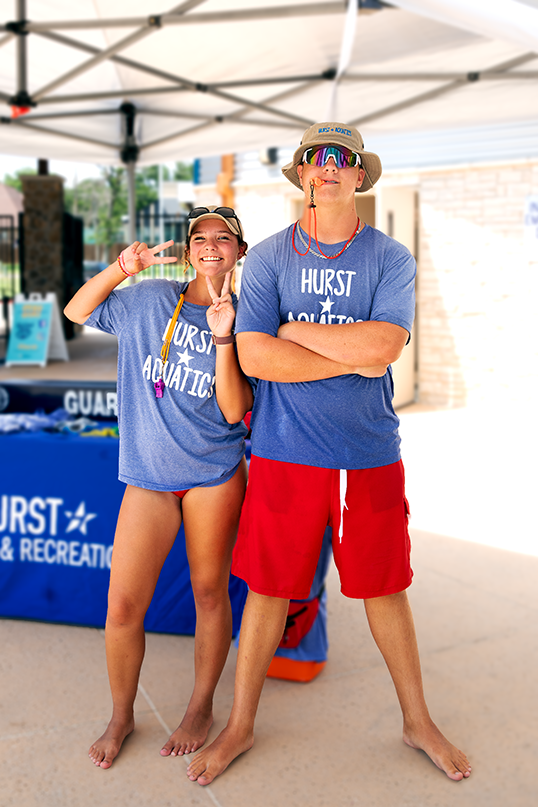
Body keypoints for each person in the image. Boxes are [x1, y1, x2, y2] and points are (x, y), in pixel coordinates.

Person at [186, 123, 472, 785]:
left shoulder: (389, 258)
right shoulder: (269, 261)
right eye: (316, 159)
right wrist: (331, 352)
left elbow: (384, 348)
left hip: (368, 454)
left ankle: (416, 719)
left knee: (386, 590)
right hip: (287, 453)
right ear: (303, 176)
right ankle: (240, 723)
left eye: (342, 159)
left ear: (360, 175)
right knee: (267, 591)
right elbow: (254, 355)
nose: (329, 169)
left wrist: (297, 333)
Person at [64, 207, 254, 769]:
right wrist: (122, 267)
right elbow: (77, 310)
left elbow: (235, 408)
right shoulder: (149, 301)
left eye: (224, 238)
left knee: (207, 594)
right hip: (148, 475)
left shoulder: (250, 319)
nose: (211, 246)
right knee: (122, 606)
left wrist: (225, 338)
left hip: (212, 474)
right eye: (201, 237)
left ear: (240, 251)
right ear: (189, 248)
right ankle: (121, 715)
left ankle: (201, 707)